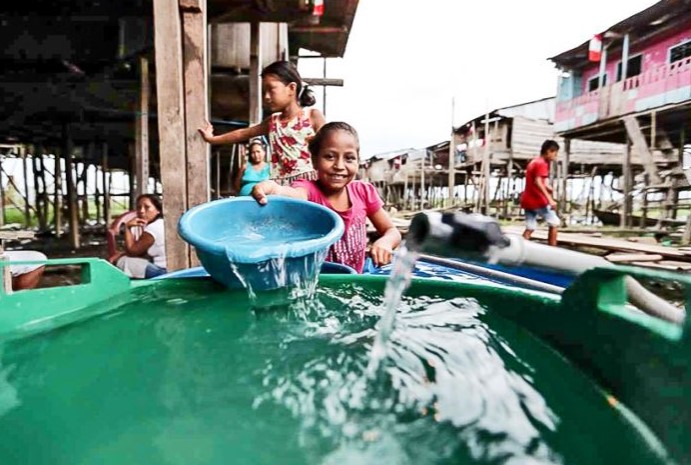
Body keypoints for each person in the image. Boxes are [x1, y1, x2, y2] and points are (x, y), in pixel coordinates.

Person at [251, 122, 402, 273]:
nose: (339, 165)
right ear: (315, 161)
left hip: (355, 279)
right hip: (319, 281)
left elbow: (391, 230)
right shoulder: (309, 190)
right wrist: (274, 189)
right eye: (330, 157)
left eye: (349, 158)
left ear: (357, 161)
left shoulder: (363, 192)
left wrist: (386, 242)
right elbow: (296, 195)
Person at [199, 60, 326, 181]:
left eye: (271, 89)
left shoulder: (312, 116)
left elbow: (331, 147)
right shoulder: (273, 121)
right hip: (280, 187)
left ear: (291, 88)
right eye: (264, 91)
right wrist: (212, 139)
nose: (266, 96)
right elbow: (243, 133)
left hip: (309, 185)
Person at [108, 194, 167, 278]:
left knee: (123, 261)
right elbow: (141, 250)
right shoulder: (161, 223)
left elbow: (133, 251)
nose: (142, 211)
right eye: (139, 207)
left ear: (158, 210)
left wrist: (128, 228)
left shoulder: (152, 228)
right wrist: (122, 253)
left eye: (147, 207)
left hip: (162, 272)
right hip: (171, 269)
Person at [521, 139, 560, 246]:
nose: (555, 157)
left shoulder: (533, 162)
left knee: (531, 226)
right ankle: (553, 250)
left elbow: (539, 180)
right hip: (538, 200)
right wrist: (550, 199)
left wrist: (547, 186)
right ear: (548, 151)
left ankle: (520, 247)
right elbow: (538, 182)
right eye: (555, 154)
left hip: (527, 200)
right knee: (554, 223)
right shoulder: (542, 163)